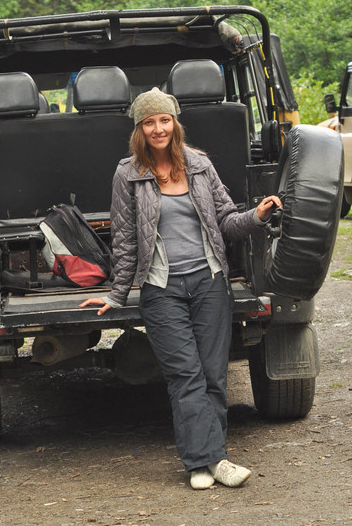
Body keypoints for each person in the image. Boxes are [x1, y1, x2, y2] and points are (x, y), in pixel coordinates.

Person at [81, 87, 281, 490]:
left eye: (165, 120)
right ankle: (211, 461)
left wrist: (255, 217)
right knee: (185, 375)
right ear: (140, 128)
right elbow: (123, 239)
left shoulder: (200, 165)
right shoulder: (128, 173)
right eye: (150, 122)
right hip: (161, 289)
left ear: (175, 123)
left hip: (209, 283)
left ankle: (204, 463)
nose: (159, 128)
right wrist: (117, 294)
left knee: (212, 375)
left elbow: (226, 221)